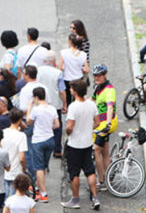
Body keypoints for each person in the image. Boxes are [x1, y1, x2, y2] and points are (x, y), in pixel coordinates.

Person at [62, 80, 100, 210]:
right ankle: (95, 197)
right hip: (87, 143)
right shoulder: (91, 104)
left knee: (74, 173)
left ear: (75, 91)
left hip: (75, 144)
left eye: (72, 88)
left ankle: (75, 199)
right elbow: (97, 122)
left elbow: (70, 127)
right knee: (90, 170)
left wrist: (68, 131)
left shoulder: (73, 106)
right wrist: (89, 128)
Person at [25, 87, 58, 202]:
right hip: (50, 139)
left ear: (36, 97)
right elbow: (57, 125)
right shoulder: (52, 108)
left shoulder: (36, 109)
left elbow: (29, 122)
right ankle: (38, 188)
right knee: (43, 165)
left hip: (38, 140)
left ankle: (43, 193)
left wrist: (29, 107)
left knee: (38, 167)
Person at [90, 64, 116, 191]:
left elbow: (110, 107)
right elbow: (92, 100)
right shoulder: (98, 88)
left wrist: (108, 124)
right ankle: (108, 175)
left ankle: (101, 181)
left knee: (96, 150)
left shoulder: (109, 90)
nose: (96, 78)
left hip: (106, 123)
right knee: (105, 150)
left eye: (99, 75)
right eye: (95, 75)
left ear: (105, 75)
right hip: (102, 121)